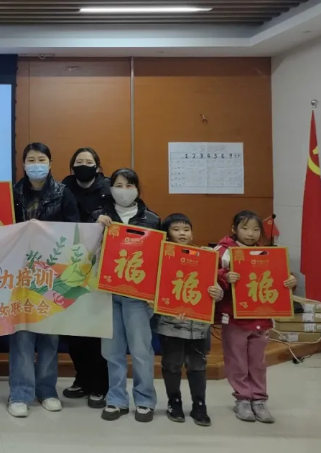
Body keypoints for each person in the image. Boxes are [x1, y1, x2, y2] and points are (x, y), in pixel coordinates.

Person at [8, 143, 80, 418]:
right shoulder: (12, 193)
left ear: (50, 163)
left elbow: (75, 231)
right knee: (22, 334)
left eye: (41, 159)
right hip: (19, 272)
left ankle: (47, 390)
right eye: (30, 159)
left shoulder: (64, 193)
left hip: (53, 273)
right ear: (23, 164)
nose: (35, 164)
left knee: (50, 334)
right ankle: (20, 392)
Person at [216, 211, 297, 424]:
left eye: (255, 229)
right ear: (234, 229)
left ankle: (259, 399)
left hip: (260, 317)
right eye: (245, 228)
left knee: (257, 361)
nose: (250, 234)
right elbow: (207, 275)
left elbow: (279, 277)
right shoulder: (223, 252)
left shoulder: (267, 253)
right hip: (234, 316)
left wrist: (290, 280)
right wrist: (224, 276)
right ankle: (243, 398)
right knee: (237, 360)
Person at [94, 168, 159, 423]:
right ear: (110, 188)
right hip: (107, 293)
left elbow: (159, 258)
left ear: (137, 189)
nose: (124, 190)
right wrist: (95, 227)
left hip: (138, 296)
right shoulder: (99, 216)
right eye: (118, 185)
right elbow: (84, 249)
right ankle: (116, 398)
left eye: (129, 185)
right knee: (112, 350)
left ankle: (144, 399)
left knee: (141, 350)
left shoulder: (152, 219)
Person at [155, 213, 223, 427]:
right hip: (170, 324)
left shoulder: (205, 257)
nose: (182, 233)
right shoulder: (161, 258)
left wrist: (217, 292)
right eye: (176, 229)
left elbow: (214, 286)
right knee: (172, 365)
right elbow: (155, 291)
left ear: (192, 233)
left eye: (186, 229)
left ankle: (199, 404)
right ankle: (174, 402)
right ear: (167, 234)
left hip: (199, 325)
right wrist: (168, 308)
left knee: (197, 366)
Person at [60, 147, 111, 407]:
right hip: (71, 266)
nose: (83, 165)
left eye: (88, 161)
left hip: (101, 268)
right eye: (78, 161)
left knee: (96, 327)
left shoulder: (110, 189)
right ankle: (81, 378)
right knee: (74, 327)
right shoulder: (63, 190)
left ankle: (100, 384)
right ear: (72, 167)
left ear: (97, 166)